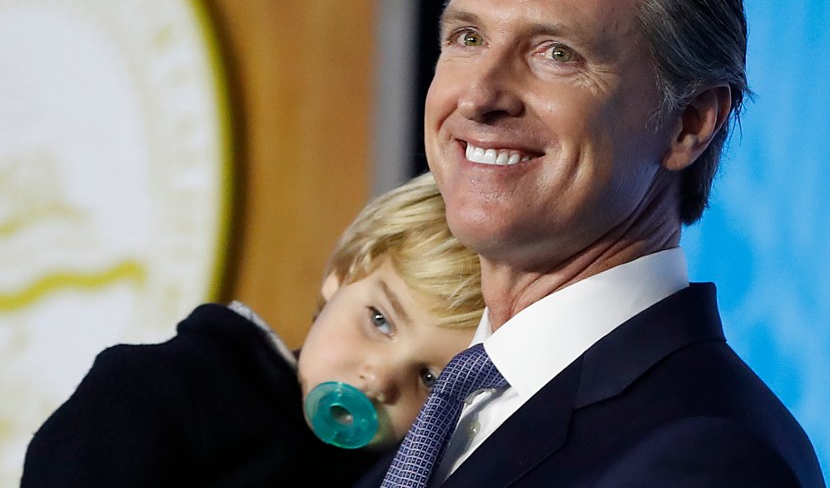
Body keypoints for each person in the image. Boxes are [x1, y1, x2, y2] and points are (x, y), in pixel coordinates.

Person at [356, 0, 826, 486]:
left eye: (557, 54)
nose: (478, 96)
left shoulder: (708, 458)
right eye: (469, 38)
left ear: (688, 123)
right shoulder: (432, 408)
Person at [21, 172, 484, 487]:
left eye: (430, 378)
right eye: (379, 321)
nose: (380, 380)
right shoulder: (175, 386)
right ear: (341, 276)